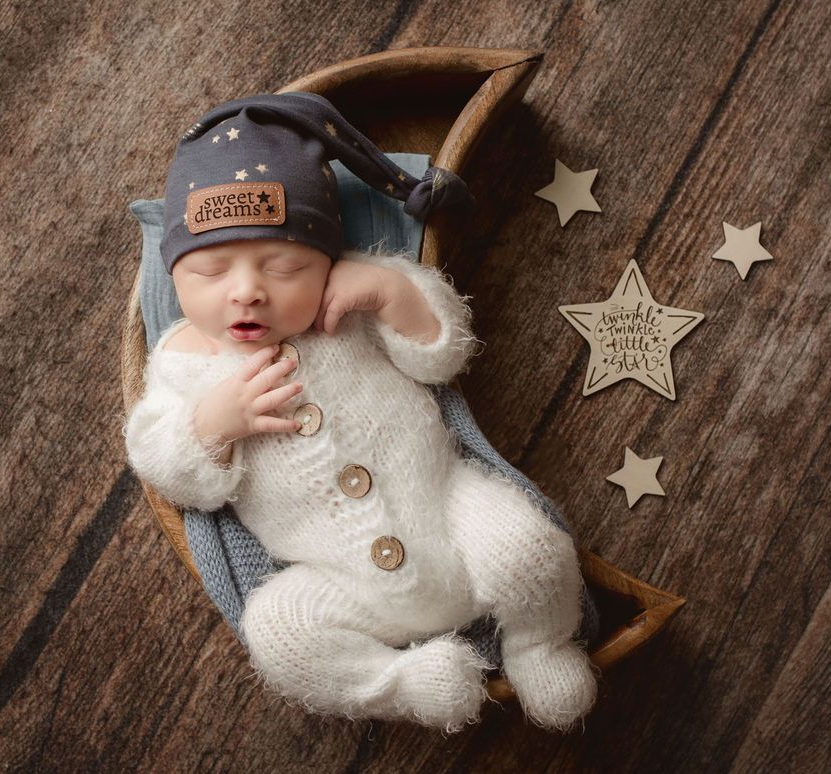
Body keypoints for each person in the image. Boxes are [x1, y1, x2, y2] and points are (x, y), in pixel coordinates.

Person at [123, 92, 597, 733]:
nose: (247, 290)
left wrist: (395, 294)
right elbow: (164, 465)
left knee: (530, 550)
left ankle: (539, 643)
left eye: (284, 265)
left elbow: (442, 354)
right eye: (210, 271)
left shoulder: (356, 293)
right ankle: (400, 683)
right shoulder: (181, 365)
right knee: (278, 633)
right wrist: (212, 426)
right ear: (173, 273)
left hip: (446, 511)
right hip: (337, 575)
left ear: (324, 258)